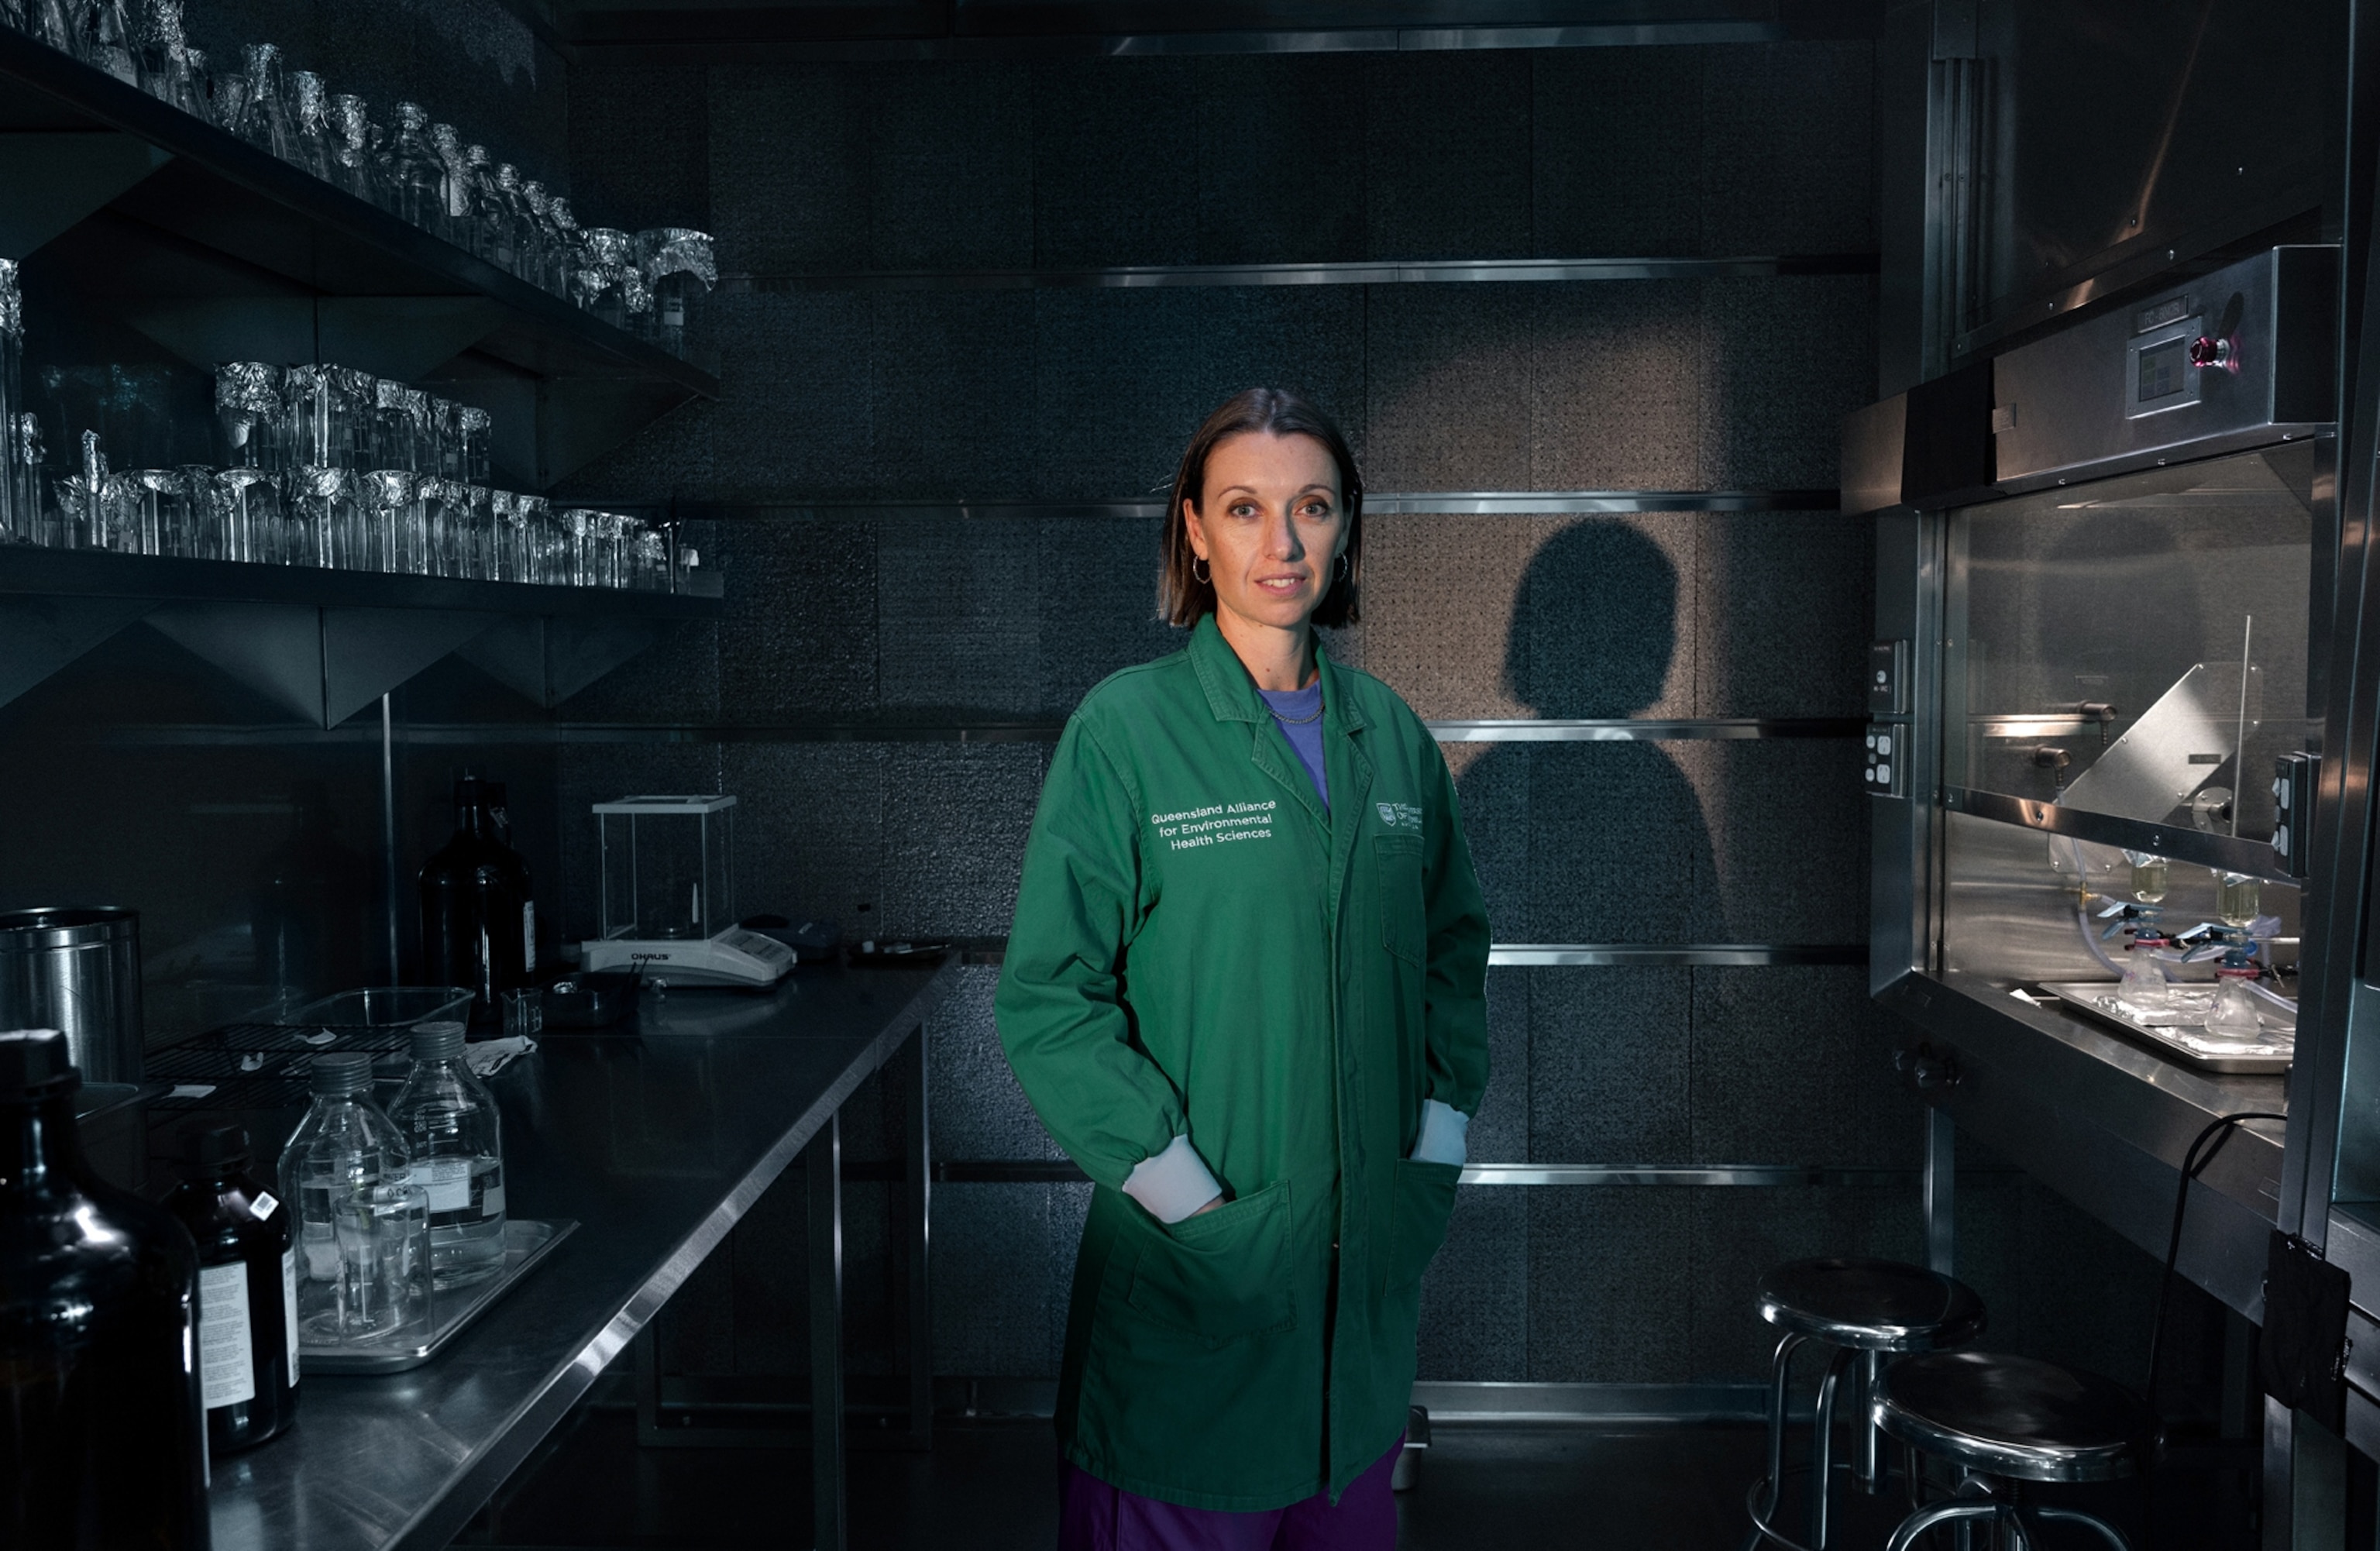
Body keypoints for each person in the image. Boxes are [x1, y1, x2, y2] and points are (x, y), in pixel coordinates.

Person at [996, 387, 1491, 1549]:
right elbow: (1049, 998)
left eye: (1311, 506)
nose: (1282, 542)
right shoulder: (1127, 732)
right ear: (1194, 530)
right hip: (1189, 1310)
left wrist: (1435, 1147)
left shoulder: (1395, 738)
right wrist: (1190, 1200)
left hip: (1356, 1341)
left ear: (1346, 529)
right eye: (1245, 507)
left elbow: (1452, 956)